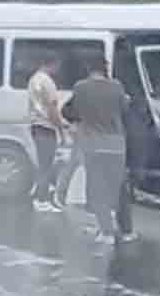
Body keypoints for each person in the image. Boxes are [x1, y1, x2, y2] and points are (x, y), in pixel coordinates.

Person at [67, 54, 129, 247]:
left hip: (93, 145)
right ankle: (120, 227)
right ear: (105, 68)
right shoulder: (117, 87)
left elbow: (68, 111)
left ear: (89, 68)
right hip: (117, 145)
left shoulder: (80, 88)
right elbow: (125, 109)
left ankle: (107, 231)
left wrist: (79, 122)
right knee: (115, 188)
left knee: (97, 189)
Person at [27, 54, 65, 212]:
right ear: (52, 64)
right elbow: (52, 108)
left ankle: (39, 195)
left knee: (43, 163)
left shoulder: (34, 79)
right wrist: (61, 129)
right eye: (58, 65)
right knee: (46, 165)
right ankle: (41, 200)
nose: (58, 69)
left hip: (36, 125)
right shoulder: (47, 82)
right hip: (47, 126)